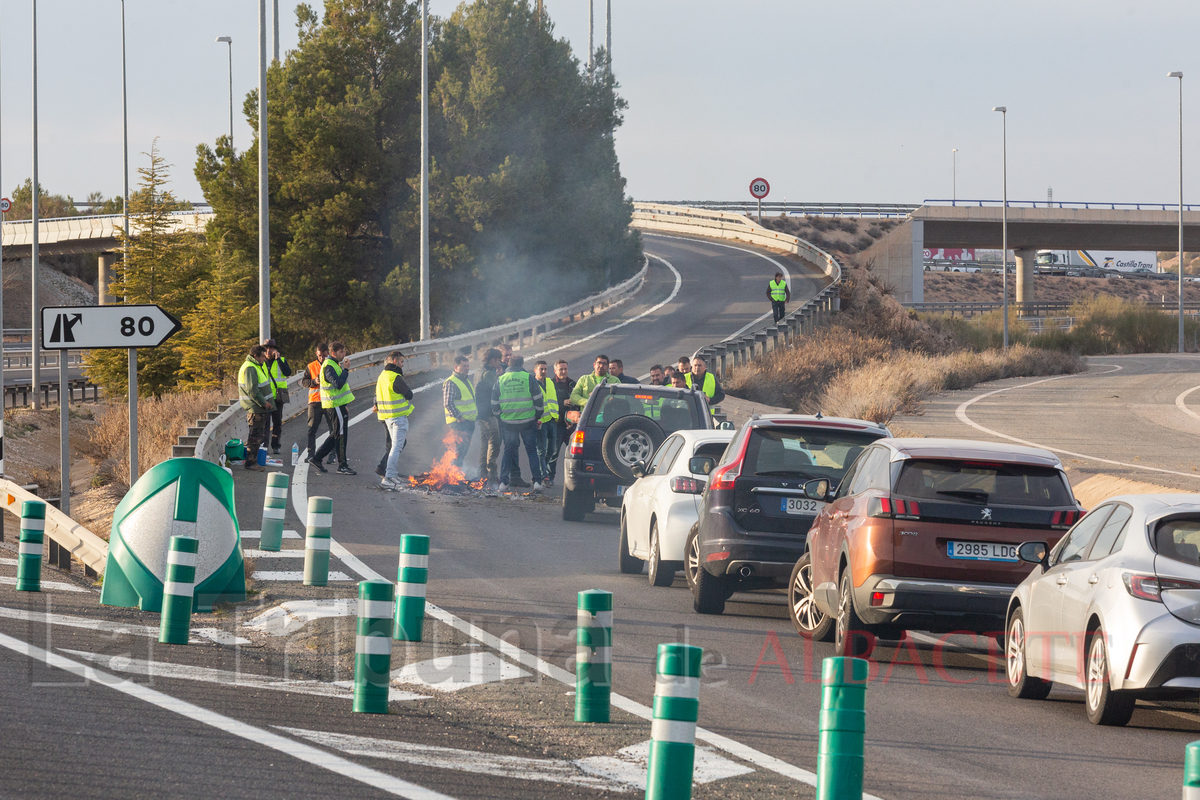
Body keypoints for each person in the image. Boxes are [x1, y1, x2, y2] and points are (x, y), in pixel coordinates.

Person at [492, 355, 544, 492]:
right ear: (522, 364)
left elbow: (494, 403)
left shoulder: (500, 379)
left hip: (508, 422)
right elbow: (538, 399)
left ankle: (504, 482)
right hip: (528, 421)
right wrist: (537, 415)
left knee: (508, 451)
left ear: (509, 364)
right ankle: (537, 482)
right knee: (532, 451)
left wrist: (500, 417)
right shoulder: (528, 378)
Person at [310, 341, 356, 475]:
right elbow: (338, 384)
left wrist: (344, 406)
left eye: (344, 351)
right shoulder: (329, 366)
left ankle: (317, 458)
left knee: (336, 434)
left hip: (338, 405)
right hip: (333, 405)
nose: (344, 354)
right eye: (342, 352)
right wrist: (346, 370)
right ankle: (342, 465)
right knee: (341, 434)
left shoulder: (334, 364)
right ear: (334, 353)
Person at [374, 351, 415, 490]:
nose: (403, 365)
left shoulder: (382, 376)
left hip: (387, 417)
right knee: (396, 447)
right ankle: (389, 477)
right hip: (398, 417)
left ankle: (393, 475)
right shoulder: (394, 377)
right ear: (395, 361)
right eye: (402, 362)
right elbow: (409, 394)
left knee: (394, 446)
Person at [237, 345, 275, 472]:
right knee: (255, 436)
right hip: (256, 407)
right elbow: (252, 389)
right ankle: (251, 462)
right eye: (263, 356)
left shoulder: (254, 366)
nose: (265, 358)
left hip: (258, 407)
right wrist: (264, 402)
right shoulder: (250, 368)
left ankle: (252, 461)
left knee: (257, 435)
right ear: (255, 356)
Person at [474, 348, 504, 487]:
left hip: (480, 413)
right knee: (494, 443)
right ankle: (492, 474)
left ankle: (482, 473)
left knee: (484, 443)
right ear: (493, 360)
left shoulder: (479, 371)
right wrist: (500, 376)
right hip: (488, 413)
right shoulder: (488, 374)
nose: (499, 363)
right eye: (498, 360)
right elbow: (499, 389)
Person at [442, 355, 476, 469]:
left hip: (468, 422)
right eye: (464, 366)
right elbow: (448, 403)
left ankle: (456, 472)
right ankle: (453, 473)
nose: (467, 368)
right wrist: (460, 417)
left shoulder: (465, 380)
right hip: (459, 423)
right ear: (456, 367)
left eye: (468, 366)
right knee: (458, 450)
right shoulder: (452, 382)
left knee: (463, 450)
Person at [262, 338, 293, 454]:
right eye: (266, 348)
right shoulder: (261, 362)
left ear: (275, 350)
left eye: (271, 348)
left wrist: (278, 359)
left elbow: (287, 372)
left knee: (277, 422)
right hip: (266, 397)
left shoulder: (282, 360)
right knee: (265, 423)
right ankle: (264, 446)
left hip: (278, 397)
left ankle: (276, 445)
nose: (269, 351)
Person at [547, 359, 575, 485]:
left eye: (565, 369)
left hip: (572, 425)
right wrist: (562, 403)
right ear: (555, 371)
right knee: (553, 452)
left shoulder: (573, 384)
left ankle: (575, 478)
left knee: (576, 453)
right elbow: (547, 403)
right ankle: (549, 478)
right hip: (557, 425)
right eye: (561, 369)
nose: (563, 371)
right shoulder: (551, 384)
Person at [300, 343, 329, 461]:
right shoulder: (311, 366)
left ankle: (331, 456)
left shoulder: (332, 365)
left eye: (324, 355)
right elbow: (304, 382)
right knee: (312, 429)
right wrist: (314, 381)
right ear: (317, 353)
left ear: (328, 353)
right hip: (315, 402)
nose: (322, 358)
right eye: (320, 355)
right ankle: (311, 454)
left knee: (333, 429)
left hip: (328, 402)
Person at [533, 360, 559, 487]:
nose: (543, 371)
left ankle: (544, 469)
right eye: (541, 369)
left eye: (545, 369)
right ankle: (544, 475)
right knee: (541, 450)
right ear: (535, 370)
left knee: (552, 449)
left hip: (552, 419)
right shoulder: (532, 383)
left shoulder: (549, 382)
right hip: (540, 421)